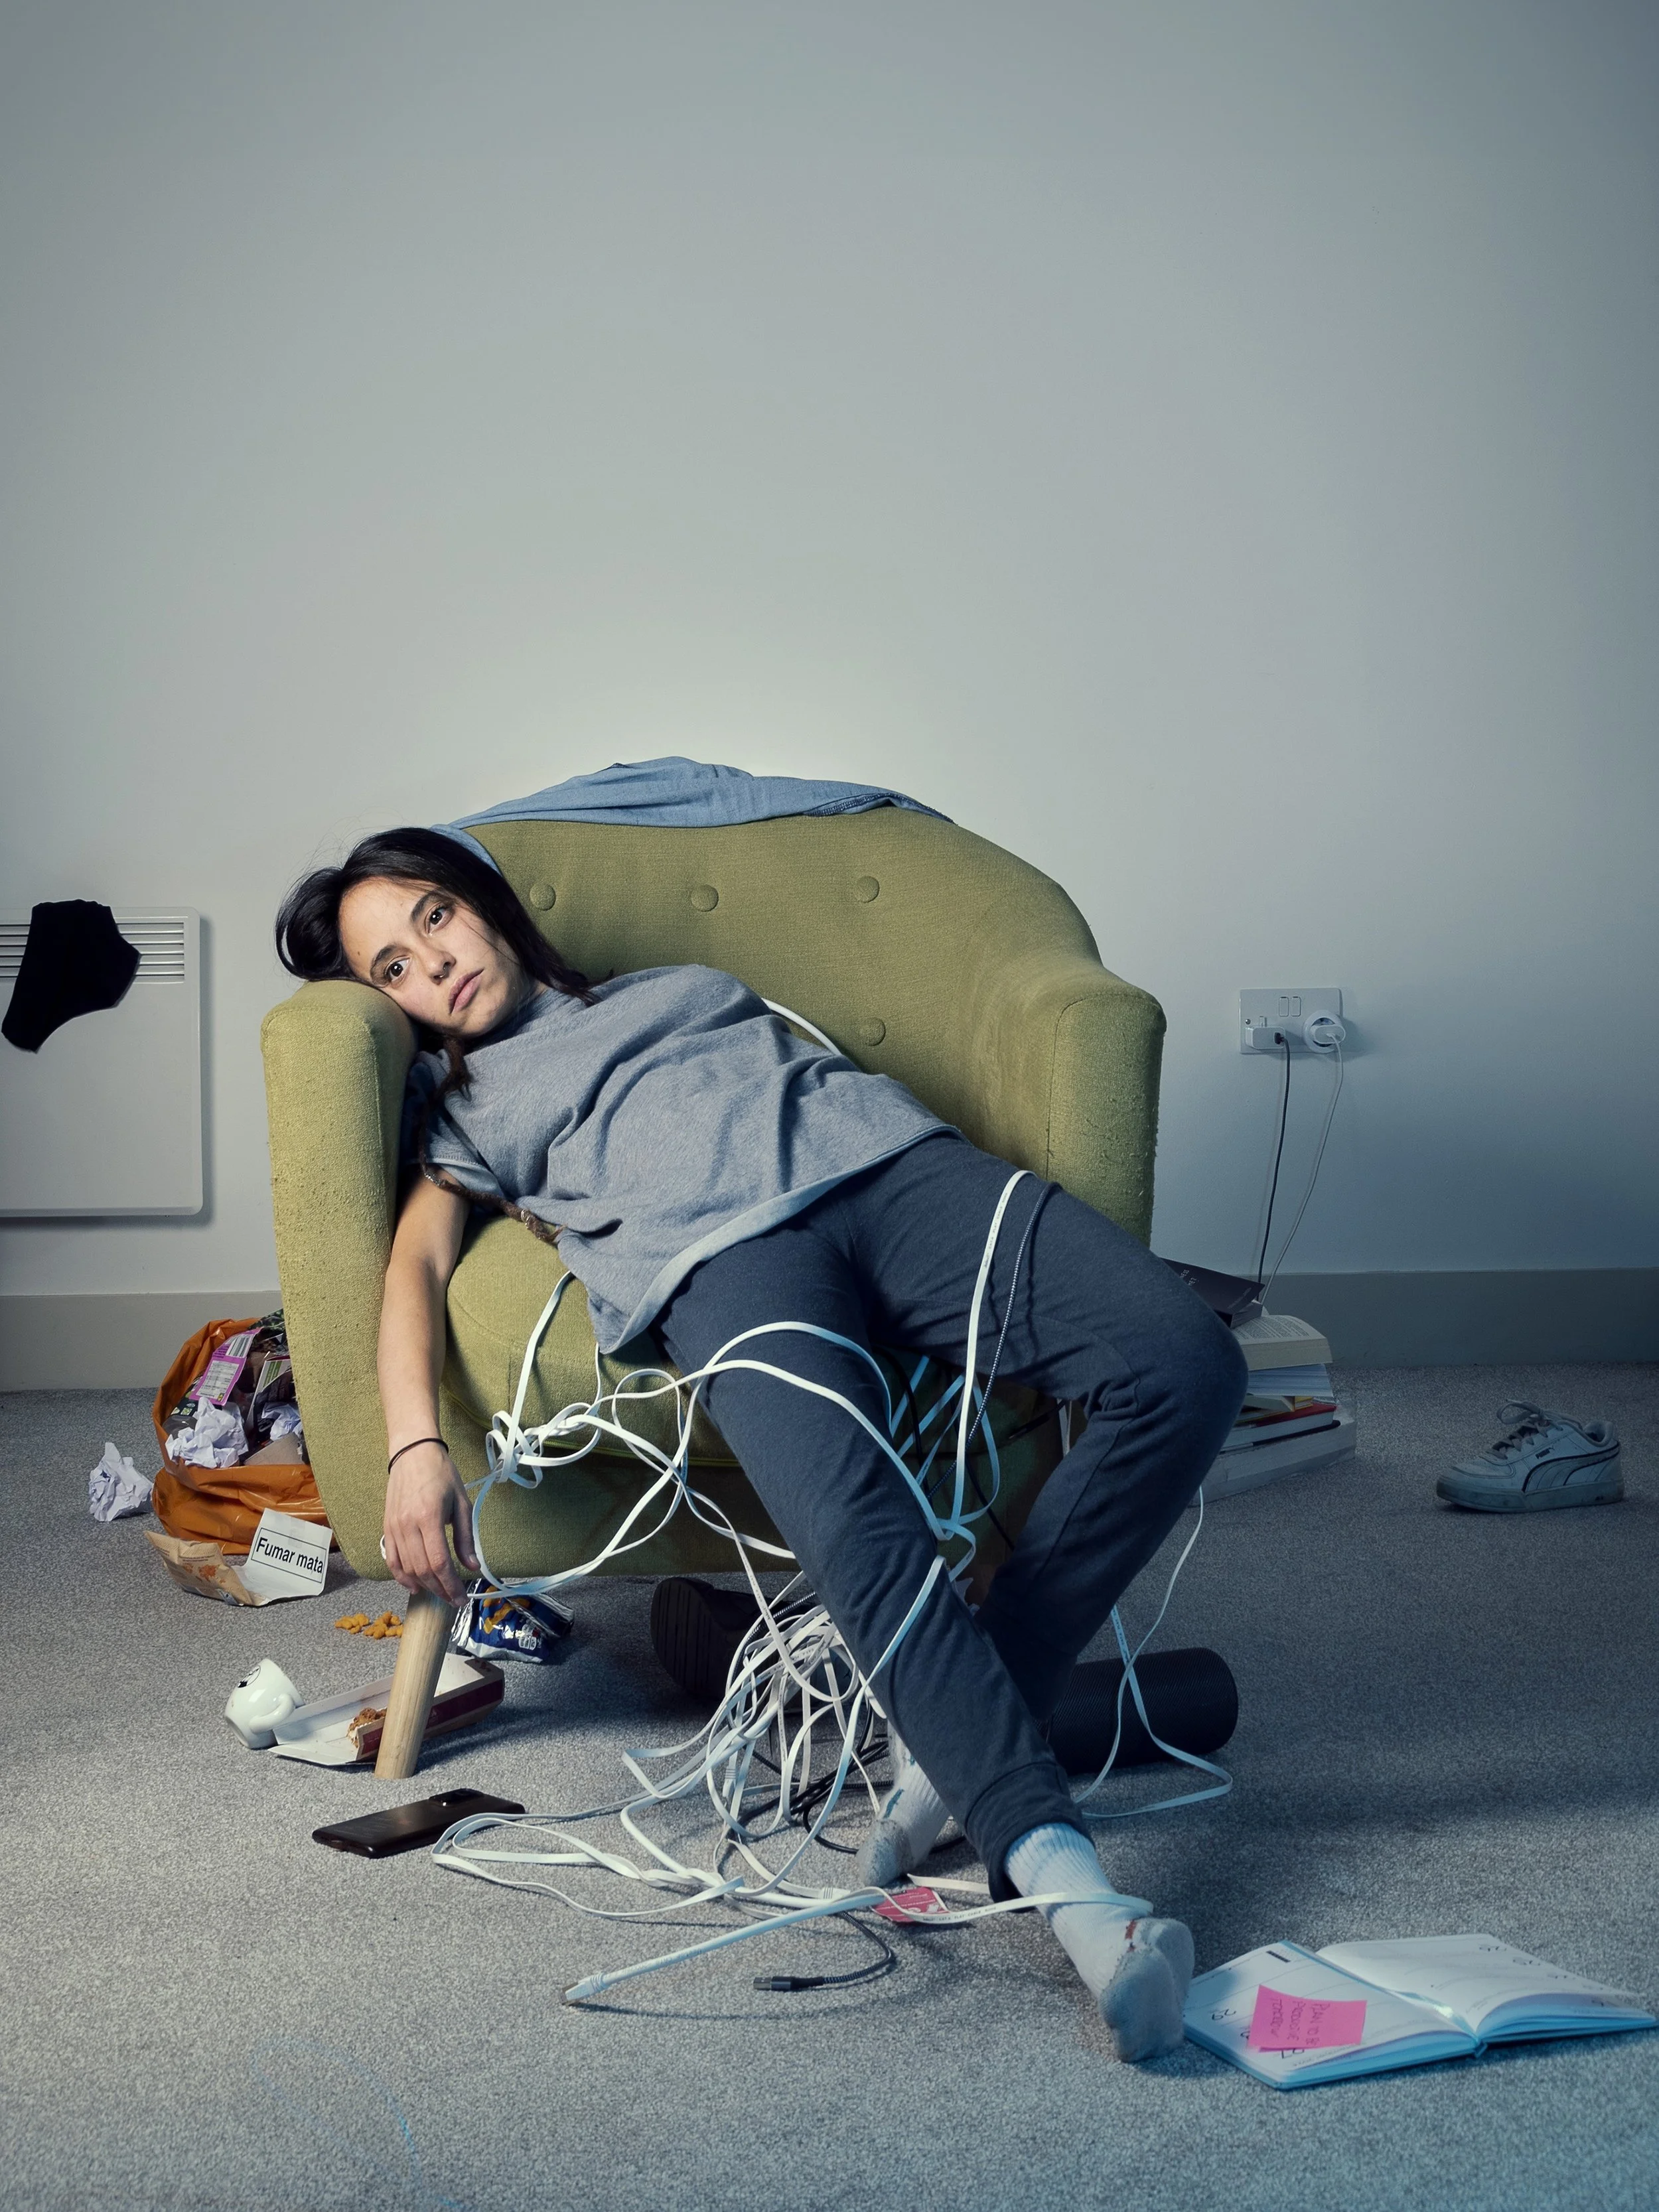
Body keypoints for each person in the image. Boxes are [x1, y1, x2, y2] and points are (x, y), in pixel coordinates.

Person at [275, 826, 1247, 2061]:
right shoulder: (467, 1112)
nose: (431, 964)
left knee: (1184, 1360)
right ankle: (1075, 1896)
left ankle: (959, 1735)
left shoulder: (674, 988)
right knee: (859, 1526)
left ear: (480, 902)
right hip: (726, 1264)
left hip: (897, 1172)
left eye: (431, 918)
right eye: (392, 971)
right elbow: (414, 1262)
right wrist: (415, 1444)